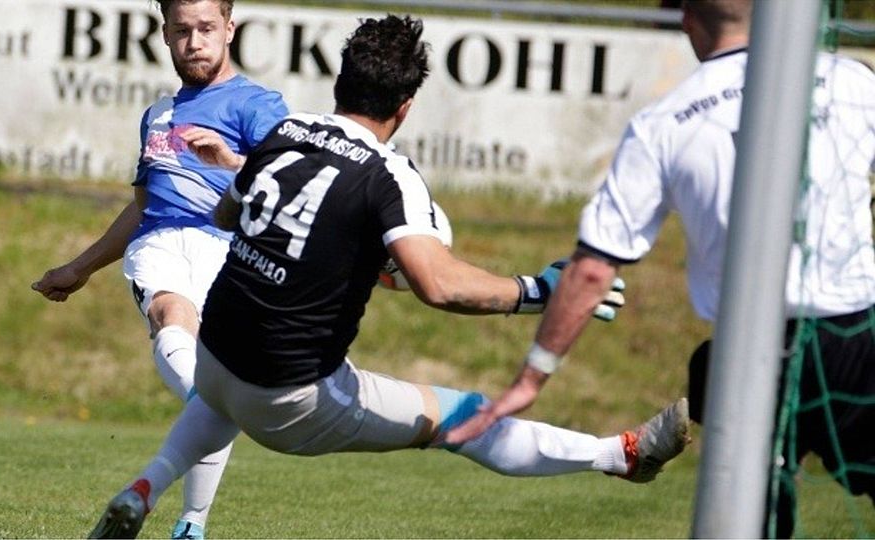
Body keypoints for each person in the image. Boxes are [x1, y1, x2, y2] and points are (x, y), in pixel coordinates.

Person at [85, 14, 690, 539]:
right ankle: (619, 455)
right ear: (405, 106)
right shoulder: (387, 174)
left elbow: (227, 215)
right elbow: (439, 284)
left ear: (339, 83)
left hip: (215, 360)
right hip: (291, 398)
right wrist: (539, 292)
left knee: (225, 393)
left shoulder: (285, 134)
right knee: (463, 416)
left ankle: (144, 488)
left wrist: (330, 252)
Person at [446, 0, 875, 537]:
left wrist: (531, 378)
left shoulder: (665, 121)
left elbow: (593, 271)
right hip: (858, 337)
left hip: (750, 358)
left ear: (688, 22)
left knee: (747, 496)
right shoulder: (851, 82)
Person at [31, 0, 289, 538]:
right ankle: (207, 408)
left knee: (217, 382)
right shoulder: (158, 114)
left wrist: (231, 162)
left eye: (206, 28)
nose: (195, 42)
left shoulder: (257, 105)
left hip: (229, 251)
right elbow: (144, 207)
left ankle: (191, 521)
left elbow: (291, 182)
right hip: (161, 245)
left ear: (229, 29)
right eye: (182, 30)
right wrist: (80, 268)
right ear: (166, 35)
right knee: (173, 318)